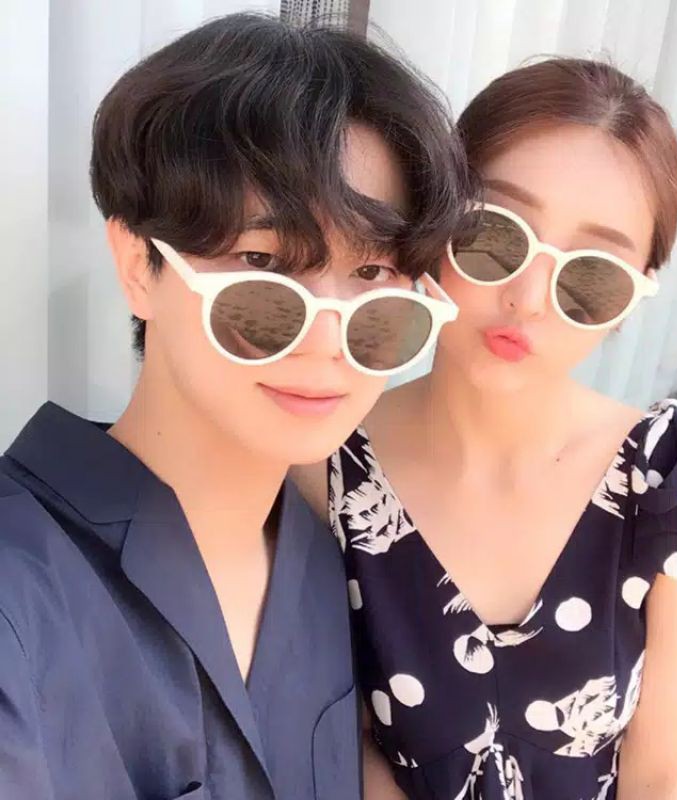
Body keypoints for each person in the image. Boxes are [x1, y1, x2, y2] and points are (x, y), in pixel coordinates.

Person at [0, 13, 471, 800]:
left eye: (373, 277)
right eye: (264, 265)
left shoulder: (328, 564)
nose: (327, 339)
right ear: (138, 264)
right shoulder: (20, 593)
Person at [294, 58, 677, 800]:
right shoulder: (326, 464)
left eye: (592, 274)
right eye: (495, 233)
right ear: (433, 226)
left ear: (630, 300)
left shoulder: (672, 483)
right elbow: (337, 741)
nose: (528, 298)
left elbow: (663, 776)